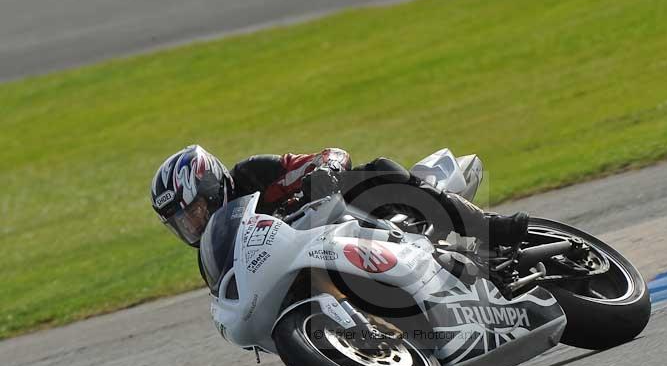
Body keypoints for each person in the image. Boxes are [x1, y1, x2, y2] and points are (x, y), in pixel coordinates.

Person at [150, 144, 528, 249]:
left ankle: (487, 227)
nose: (194, 225)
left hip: (342, 218)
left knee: (380, 169)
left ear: (212, 186)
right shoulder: (216, 249)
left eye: (195, 211)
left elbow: (328, 155)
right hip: (312, 256)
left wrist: (325, 173)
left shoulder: (254, 173)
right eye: (183, 223)